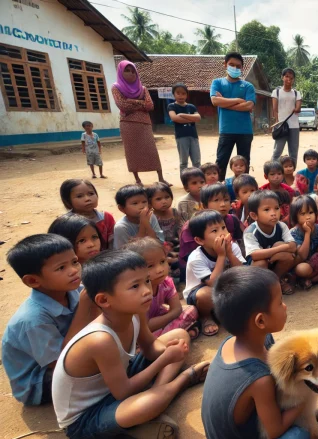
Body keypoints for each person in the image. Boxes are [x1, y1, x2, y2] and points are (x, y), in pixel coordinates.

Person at [52, 250, 208, 438]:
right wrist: (165, 358)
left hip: (118, 379)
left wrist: (168, 350)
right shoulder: (100, 340)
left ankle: (157, 392)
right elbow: (123, 392)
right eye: (135, 286)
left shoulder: (135, 312)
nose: (147, 291)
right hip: (86, 417)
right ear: (104, 300)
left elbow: (150, 348)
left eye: (147, 281)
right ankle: (180, 382)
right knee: (146, 404)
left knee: (180, 334)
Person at [202, 266, 314, 439]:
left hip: (248, 421)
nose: (285, 306)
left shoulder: (232, 343)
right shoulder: (259, 380)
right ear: (261, 320)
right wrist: (304, 399)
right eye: (279, 302)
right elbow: (274, 431)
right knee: (299, 435)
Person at [2, 234, 97, 406]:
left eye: (74, 262)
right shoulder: (33, 319)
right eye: (61, 268)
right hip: (38, 383)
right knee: (103, 367)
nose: (74, 270)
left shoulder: (74, 290)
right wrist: (85, 306)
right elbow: (61, 362)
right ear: (33, 280)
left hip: (66, 355)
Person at [183, 210, 245, 337]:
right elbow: (213, 283)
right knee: (206, 294)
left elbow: (242, 273)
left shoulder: (232, 247)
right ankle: (205, 316)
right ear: (200, 240)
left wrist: (230, 254)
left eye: (223, 228)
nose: (222, 233)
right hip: (201, 292)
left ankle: (223, 312)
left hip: (225, 287)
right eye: (214, 231)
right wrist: (221, 255)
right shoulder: (196, 257)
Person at [124, 238, 199, 339]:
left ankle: (172, 335)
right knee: (140, 337)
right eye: (150, 266)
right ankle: (178, 334)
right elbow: (146, 326)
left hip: (159, 318)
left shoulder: (166, 282)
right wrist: (171, 315)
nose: (160, 270)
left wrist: (169, 316)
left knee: (191, 310)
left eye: (163, 261)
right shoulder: (138, 292)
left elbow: (177, 309)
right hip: (141, 330)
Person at [112, 60, 169, 186]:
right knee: (132, 152)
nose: (131, 74)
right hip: (128, 123)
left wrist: (133, 101)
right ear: (121, 72)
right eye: (127, 71)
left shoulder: (142, 88)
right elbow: (122, 105)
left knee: (152, 151)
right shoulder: (116, 87)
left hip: (144, 123)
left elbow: (150, 105)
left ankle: (161, 178)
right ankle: (137, 179)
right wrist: (140, 103)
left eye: (133, 71)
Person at [211, 52, 256, 181]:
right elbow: (215, 101)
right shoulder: (217, 83)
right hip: (226, 130)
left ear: (242, 68)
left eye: (238, 66)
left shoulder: (248, 86)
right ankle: (219, 190)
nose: (235, 68)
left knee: (244, 164)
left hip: (245, 131)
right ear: (225, 64)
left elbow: (249, 106)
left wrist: (224, 102)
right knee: (221, 163)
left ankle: (244, 190)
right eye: (231, 64)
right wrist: (237, 100)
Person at [244, 191, 299, 294]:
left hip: (274, 263)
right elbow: (255, 255)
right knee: (261, 262)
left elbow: (293, 246)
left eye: (276, 208)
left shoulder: (281, 226)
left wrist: (276, 252)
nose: (273, 213)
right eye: (267, 210)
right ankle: (263, 289)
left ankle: (276, 281)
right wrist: (277, 251)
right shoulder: (250, 232)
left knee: (288, 256)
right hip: (256, 267)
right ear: (254, 215)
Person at [290, 196, 318, 289]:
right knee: (302, 269)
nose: (308, 216)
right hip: (305, 263)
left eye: (311, 212)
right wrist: (307, 233)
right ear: (295, 217)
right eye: (303, 214)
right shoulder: (293, 233)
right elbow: (302, 255)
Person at [59, 179, 115, 249]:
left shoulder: (106, 218)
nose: (87, 199)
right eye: (79, 196)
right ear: (67, 202)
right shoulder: (65, 223)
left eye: (91, 194)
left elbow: (112, 242)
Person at [113, 185, 164, 249]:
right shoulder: (121, 227)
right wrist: (143, 224)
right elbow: (131, 252)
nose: (142, 206)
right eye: (135, 203)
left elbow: (158, 243)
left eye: (144, 202)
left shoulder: (151, 217)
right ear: (122, 208)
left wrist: (146, 224)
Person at [167, 83, 201, 176]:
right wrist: (191, 118)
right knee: (183, 162)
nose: (181, 96)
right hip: (181, 137)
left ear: (186, 95)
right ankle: (185, 181)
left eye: (183, 93)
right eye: (178, 93)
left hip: (193, 136)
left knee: (197, 162)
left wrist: (182, 115)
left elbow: (198, 118)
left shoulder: (191, 106)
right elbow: (175, 118)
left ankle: (199, 180)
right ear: (174, 94)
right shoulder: (172, 106)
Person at [271, 68, 302, 163]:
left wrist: (297, 108)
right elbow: (275, 109)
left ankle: (291, 174)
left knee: (293, 153)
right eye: (287, 76)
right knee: (277, 152)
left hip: (294, 126)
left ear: (294, 80)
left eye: (291, 78)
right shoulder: (276, 92)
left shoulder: (297, 93)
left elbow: (298, 108)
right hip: (281, 125)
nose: (289, 79)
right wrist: (277, 123)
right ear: (282, 77)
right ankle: (273, 172)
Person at [147, 182, 184, 258]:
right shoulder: (151, 217)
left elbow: (181, 228)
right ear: (150, 202)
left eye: (167, 197)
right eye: (158, 199)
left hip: (177, 244)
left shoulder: (174, 212)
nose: (164, 201)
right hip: (160, 247)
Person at [260, 161, 297, 225]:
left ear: (283, 175)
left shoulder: (289, 191)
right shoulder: (262, 191)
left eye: (279, 174)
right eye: (272, 174)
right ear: (266, 176)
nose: (276, 177)